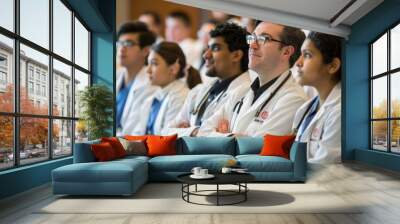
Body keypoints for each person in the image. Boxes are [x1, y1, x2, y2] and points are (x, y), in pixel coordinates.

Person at [198, 22, 308, 137]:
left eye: (264, 38)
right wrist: (231, 137)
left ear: (286, 52)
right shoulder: (241, 91)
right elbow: (204, 131)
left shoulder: (294, 99)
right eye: (252, 38)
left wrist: (225, 136)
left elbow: (256, 147)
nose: (252, 45)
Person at [165, 23, 253, 137]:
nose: (206, 55)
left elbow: (234, 140)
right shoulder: (199, 91)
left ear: (236, 55)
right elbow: (166, 132)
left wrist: (186, 132)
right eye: (207, 48)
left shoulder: (246, 93)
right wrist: (196, 131)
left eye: (215, 48)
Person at [292, 32, 342, 164]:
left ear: (332, 66)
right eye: (300, 55)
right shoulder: (304, 110)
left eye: (307, 55)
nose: (298, 62)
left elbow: (323, 167)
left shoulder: (340, 111)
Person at [129, 42, 192, 135]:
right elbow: (137, 134)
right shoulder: (153, 98)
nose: (148, 70)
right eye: (148, 63)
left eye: (154, 63)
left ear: (173, 68)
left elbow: (168, 137)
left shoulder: (181, 96)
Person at [116, 21, 158, 136]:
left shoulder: (152, 84)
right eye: (119, 43)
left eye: (128, 44)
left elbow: (135, 131)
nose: (122, 49)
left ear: (145, 51)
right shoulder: (114, 77)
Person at [165, 11, 203, 88]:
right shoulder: (167, 47)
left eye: (176, 28)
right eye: (168, 27)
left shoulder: (191, 46)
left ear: (188, 29)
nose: (170, 32)